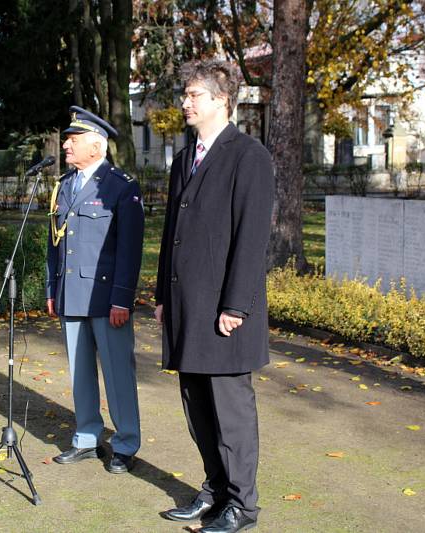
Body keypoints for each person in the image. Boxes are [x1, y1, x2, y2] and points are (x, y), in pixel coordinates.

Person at [155, 60, 274, 533]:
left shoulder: (249, 156)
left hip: (224, 309)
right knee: (197, 404)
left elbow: (251, 238)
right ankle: (216, 490)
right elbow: (171, 234)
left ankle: (242, 506)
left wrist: (236, 305)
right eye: (185, 94)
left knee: (230, 410)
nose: (185, 102)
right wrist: (163, 294)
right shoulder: (185, 158)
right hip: (187, 305)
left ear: (222, 100)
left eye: (193, 95)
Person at [46, 106, 145, 474]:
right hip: (71, 293)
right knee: (80, 373)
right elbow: (53, 244)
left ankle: (125, 444)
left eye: (73, 141)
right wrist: (51, 287)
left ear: (97, 145)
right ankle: (87, 437)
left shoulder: (121, 186)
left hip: (106, 298)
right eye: (67, 140)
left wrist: (122, 297)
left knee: (118, 374)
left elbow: (130, 249)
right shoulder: (64, 185)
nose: (66, 146)